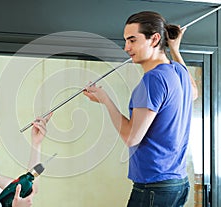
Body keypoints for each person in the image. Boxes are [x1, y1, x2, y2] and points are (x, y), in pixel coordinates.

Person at [83, 11, 198, 206]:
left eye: (132, 40)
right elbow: (193, 92)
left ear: (154, 39)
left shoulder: (152, 80)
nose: (126, 47)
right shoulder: (177, 71)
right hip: (178, 184)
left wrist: (106, 100)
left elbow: (131, 137)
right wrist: (175, 50)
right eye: (126, 41)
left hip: (154, 187)